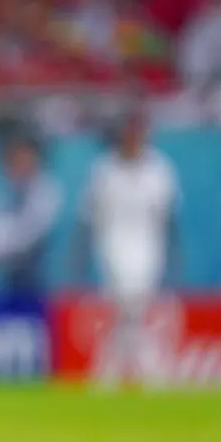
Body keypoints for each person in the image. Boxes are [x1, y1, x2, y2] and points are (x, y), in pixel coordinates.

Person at [74, 109, 180, 384]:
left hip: (148, 251)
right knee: (124, 313)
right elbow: (89, 219)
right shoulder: (104, 170)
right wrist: (82, 261)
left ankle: (113, 373)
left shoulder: (159, 170)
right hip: (112, 250)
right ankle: (147, 373)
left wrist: (175, 262)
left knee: (132, 315)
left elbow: (168, 220)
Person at [0, 130, 62, 304]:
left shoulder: (48, 189)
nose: (18, 164)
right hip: (6, 281)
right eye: (13, 159)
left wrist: (6, 243)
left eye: (23, 157)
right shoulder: (1, 190)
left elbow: (33, 234)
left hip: (40, 281)